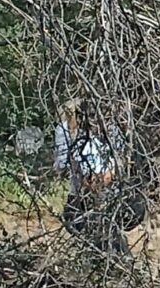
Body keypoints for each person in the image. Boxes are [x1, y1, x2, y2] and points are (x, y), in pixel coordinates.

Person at [54, 98, 142, 253]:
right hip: (87, 201)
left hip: (106, 200)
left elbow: (122, 161)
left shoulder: (111, 130)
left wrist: (108, 176)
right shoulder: (70, 132)